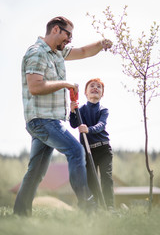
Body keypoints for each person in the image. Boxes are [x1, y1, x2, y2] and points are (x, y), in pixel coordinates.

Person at [13, 16, 112, 216]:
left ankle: (20, 213)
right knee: (76, 151)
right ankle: (88, 206)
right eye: (68, 35)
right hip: (42, 120)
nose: (69, 40)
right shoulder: (37, 53)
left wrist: (101, 44)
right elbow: (35, 86)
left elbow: (83, 52)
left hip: (49, 120)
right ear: (56, 30)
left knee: (36, 171)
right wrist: (65, 83)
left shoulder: (56, 53)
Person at [69, 78, 114, 209]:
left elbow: (101, 125)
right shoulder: (81, 109)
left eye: (99, 87)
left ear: (102, 94)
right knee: (92, 180)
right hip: (88, 151)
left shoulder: (103, 110)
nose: (95, 88)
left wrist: (89, 129)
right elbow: (73, 124)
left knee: (106, 178)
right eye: (92, 86)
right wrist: (72, 111)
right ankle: (97, 208)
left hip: (104, 149)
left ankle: (109, 207)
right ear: (85, 93)